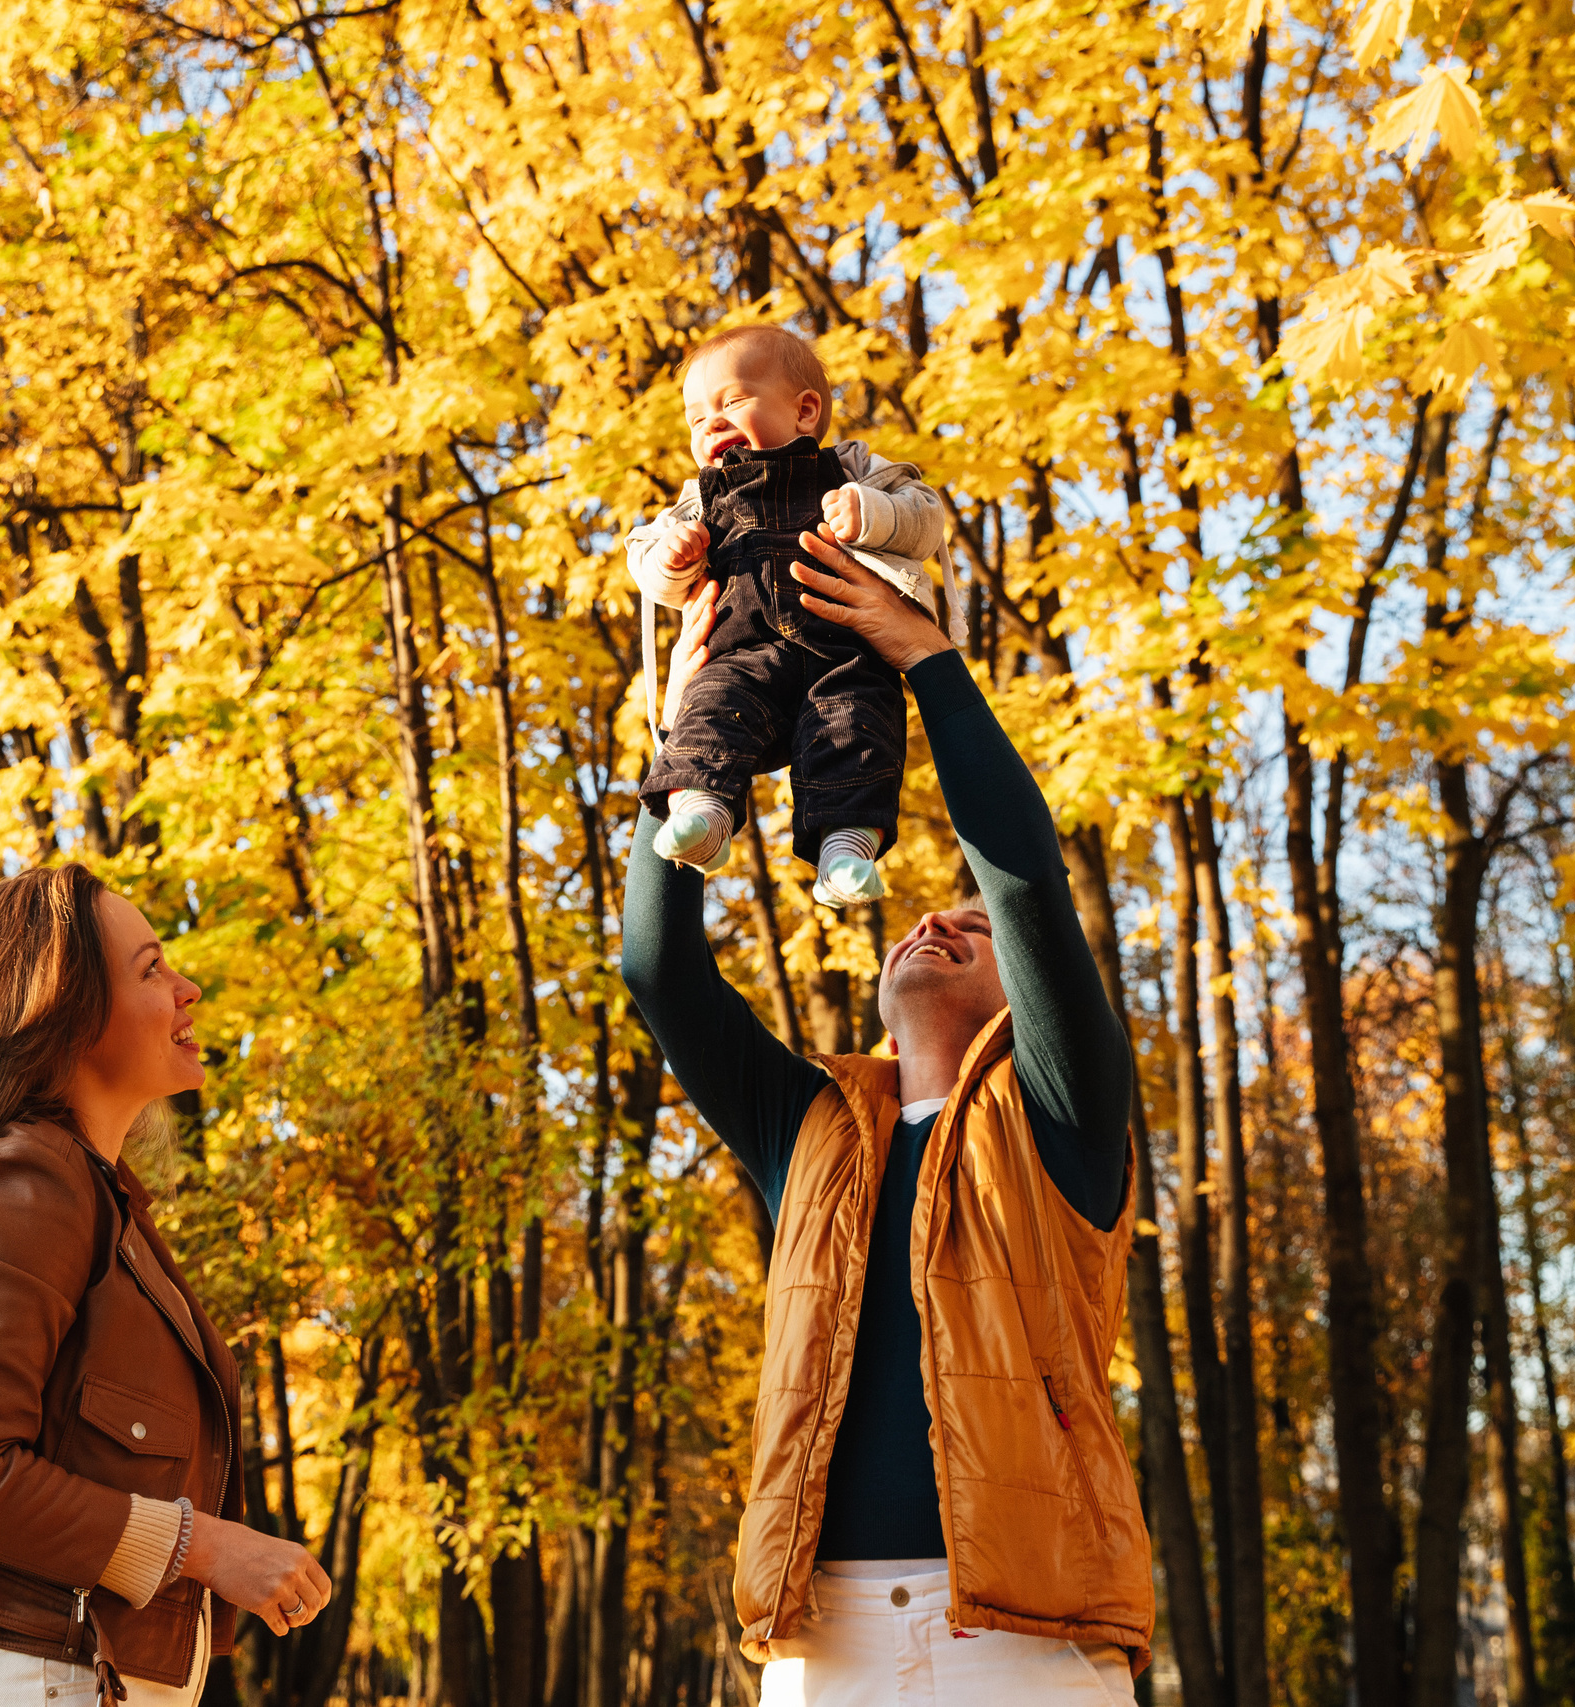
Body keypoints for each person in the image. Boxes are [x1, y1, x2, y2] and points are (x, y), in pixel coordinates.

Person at [621, 529, 1154, 1702]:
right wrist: (681, 744)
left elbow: (1021, 876)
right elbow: (656, 967)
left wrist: (924, 661)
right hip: (825, 1639)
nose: (937, 924)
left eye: (972, 931)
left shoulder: (1060, 1110)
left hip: (1029, 1635)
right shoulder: (806, 1124)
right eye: (923, 918)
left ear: (1026, 991)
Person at [0, 866, 330, 1707]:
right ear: (63, 1016)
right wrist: (202, 1548)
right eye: (150, 971)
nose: (187, 988)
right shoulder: (32, 1181)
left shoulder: (103, 1202)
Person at [627, 325, 948, 907]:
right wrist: (672, 557)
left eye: (731, 403)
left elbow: (926, 519)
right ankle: (703, 815)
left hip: (843, 655)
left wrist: (870, 514)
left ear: (804, 412)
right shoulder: (698, 502)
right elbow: (645, 561)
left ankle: (846, 851)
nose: (711, 425)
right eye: (696, 419)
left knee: (858, 732)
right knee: (708, 713)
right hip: (742, 656)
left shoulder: (853, 472)